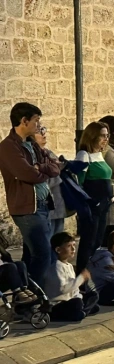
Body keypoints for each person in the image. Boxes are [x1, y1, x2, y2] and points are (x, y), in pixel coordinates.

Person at [0, 103, 60, 287]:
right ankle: (33, 295)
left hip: (42, 204)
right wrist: (42, 171)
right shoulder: (8, 147)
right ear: (24, 121)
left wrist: (40, 168)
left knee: (32, 254)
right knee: (43, 254)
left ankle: (28, 292)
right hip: (27, 208)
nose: (38, 125)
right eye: (35, 120)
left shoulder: (32, 144)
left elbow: (55, 166)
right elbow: (26, 174)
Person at [75, 122, 114, 272]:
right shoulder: (84, 155)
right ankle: (82, 273)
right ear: (92, 136)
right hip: (93, 206)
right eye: (102, 136)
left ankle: (94, 272)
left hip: (104, 205)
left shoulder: (99, 154)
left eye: (107, 136)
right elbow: (79, 183)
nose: (106, 139)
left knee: (98, 241)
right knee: (89, 241)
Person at [45, 232, 100, 321]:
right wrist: (81, 278)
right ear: (58, 250)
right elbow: (63, 289)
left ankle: (81, 312)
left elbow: (74, 290)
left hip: (70, 300)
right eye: (69, 246)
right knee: (77, 303)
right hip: (58, 303)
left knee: (93, 296)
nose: (73, 248)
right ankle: (80, 312)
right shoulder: (56, 267)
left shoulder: (69, 266)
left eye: (74, 245)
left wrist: (80, 295)